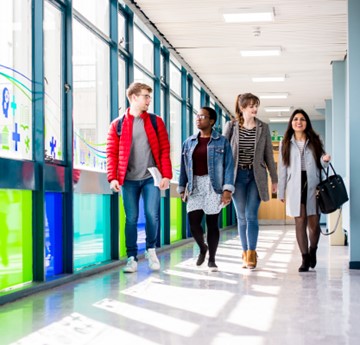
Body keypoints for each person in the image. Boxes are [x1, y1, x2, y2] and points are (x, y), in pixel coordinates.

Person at [106, 82, 172, 273]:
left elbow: (164, 150)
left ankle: (151, 250)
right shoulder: (117, 125)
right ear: (133, 97)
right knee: (131, 218)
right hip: (128, 180)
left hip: (151, 177)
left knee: (152, 215)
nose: (149, 100)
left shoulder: (155, 121)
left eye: (149, 97)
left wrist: (166, 175)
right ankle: (132, 258)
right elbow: (111, 153)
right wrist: (113, 178)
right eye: (146, 96)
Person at [223, 93, 278, 269]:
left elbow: (269, 154)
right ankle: (245, 252)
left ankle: (252, 254)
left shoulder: (263, 127)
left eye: (256, 105)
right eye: (251, 106)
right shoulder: (231, 126)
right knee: (241, 216)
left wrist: (274, 179)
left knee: (251, 215)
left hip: (256, 176)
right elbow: (223, 153)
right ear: (242, 107)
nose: (254, 109)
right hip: (236, 176)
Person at [178, 107, 234, 272]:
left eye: (203, 116)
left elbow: (229, 167)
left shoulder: (222, 141)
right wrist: (182, 188)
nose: (198, 119)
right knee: (193, 223)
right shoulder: (188, 142)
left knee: (212, 223)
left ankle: (212, 259)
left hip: (213, 185)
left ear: (211, 121)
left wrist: (227, 190)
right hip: (194, 185)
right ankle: (203, 247)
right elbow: (183, 167)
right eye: (197, 116)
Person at [277, 109, 331, 272]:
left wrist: (325, 160)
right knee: (300, 221)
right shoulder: (285, 142)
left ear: (307, 122)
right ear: (291, 123)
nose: (298, 122)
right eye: (295, 119)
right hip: (295, 184)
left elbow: (321, 164)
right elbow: (283, 168)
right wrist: (281, 191)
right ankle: (304, 258)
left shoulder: (315, 140)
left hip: (313, 183)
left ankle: (313, 249)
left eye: (302, 119)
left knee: (314, 224)